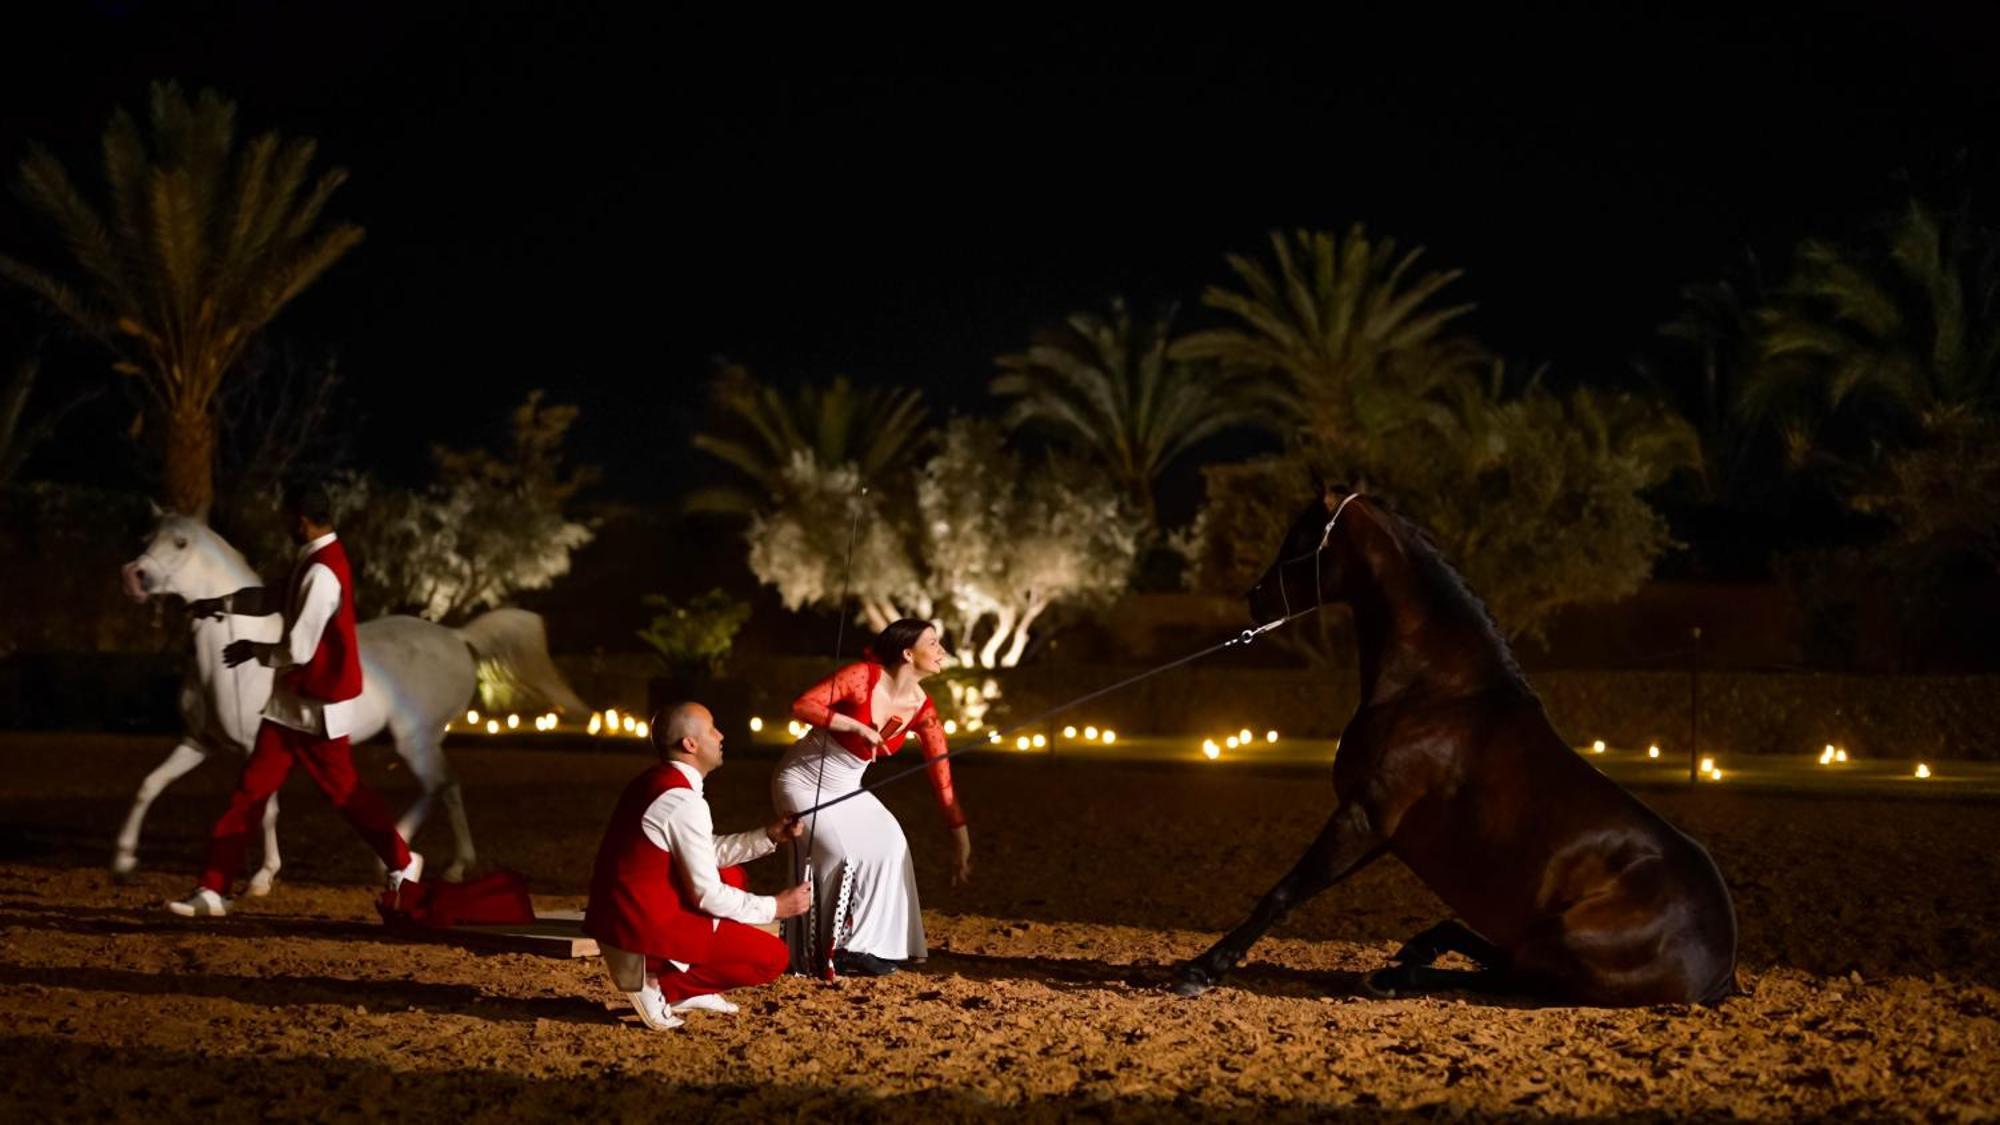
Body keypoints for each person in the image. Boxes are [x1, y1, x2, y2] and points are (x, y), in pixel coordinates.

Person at [167, 479, 422, 917]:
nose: (284, 524)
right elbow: (271, 596)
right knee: (249, 794)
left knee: (347, 797)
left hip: (317, 707)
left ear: (300, 521)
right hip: (292, 705)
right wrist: (219, 604)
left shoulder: (322, 572)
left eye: (286, 517)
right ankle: (213, 889)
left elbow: (298, 650)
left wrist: (252, 651)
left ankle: (402, 861)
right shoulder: (316, 559)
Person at [583, 702, 811, 1031]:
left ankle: (684, 988)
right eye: (712, 729)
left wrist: (768, 836)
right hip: (636, 926)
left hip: (621, 912)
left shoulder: (659, 781)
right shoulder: (682, 800)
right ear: (690, 744)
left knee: (733, 874)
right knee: (773, 957)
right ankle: (661, 985)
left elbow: (702, 852)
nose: (721, 736)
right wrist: (776, 906)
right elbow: (707, 895)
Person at [773, 618, 971, 978]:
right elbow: (802, 706)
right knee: (841, 852)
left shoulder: (924, 711)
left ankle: (862, 947)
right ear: (908, 653)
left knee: (891, 845)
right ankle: (825, 947)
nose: (943, 650)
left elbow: (942, 777)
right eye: (934, 642)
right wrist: (856, 725)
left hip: (848, 786)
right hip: (802, 779)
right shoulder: (862, 676)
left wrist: (960, 834)